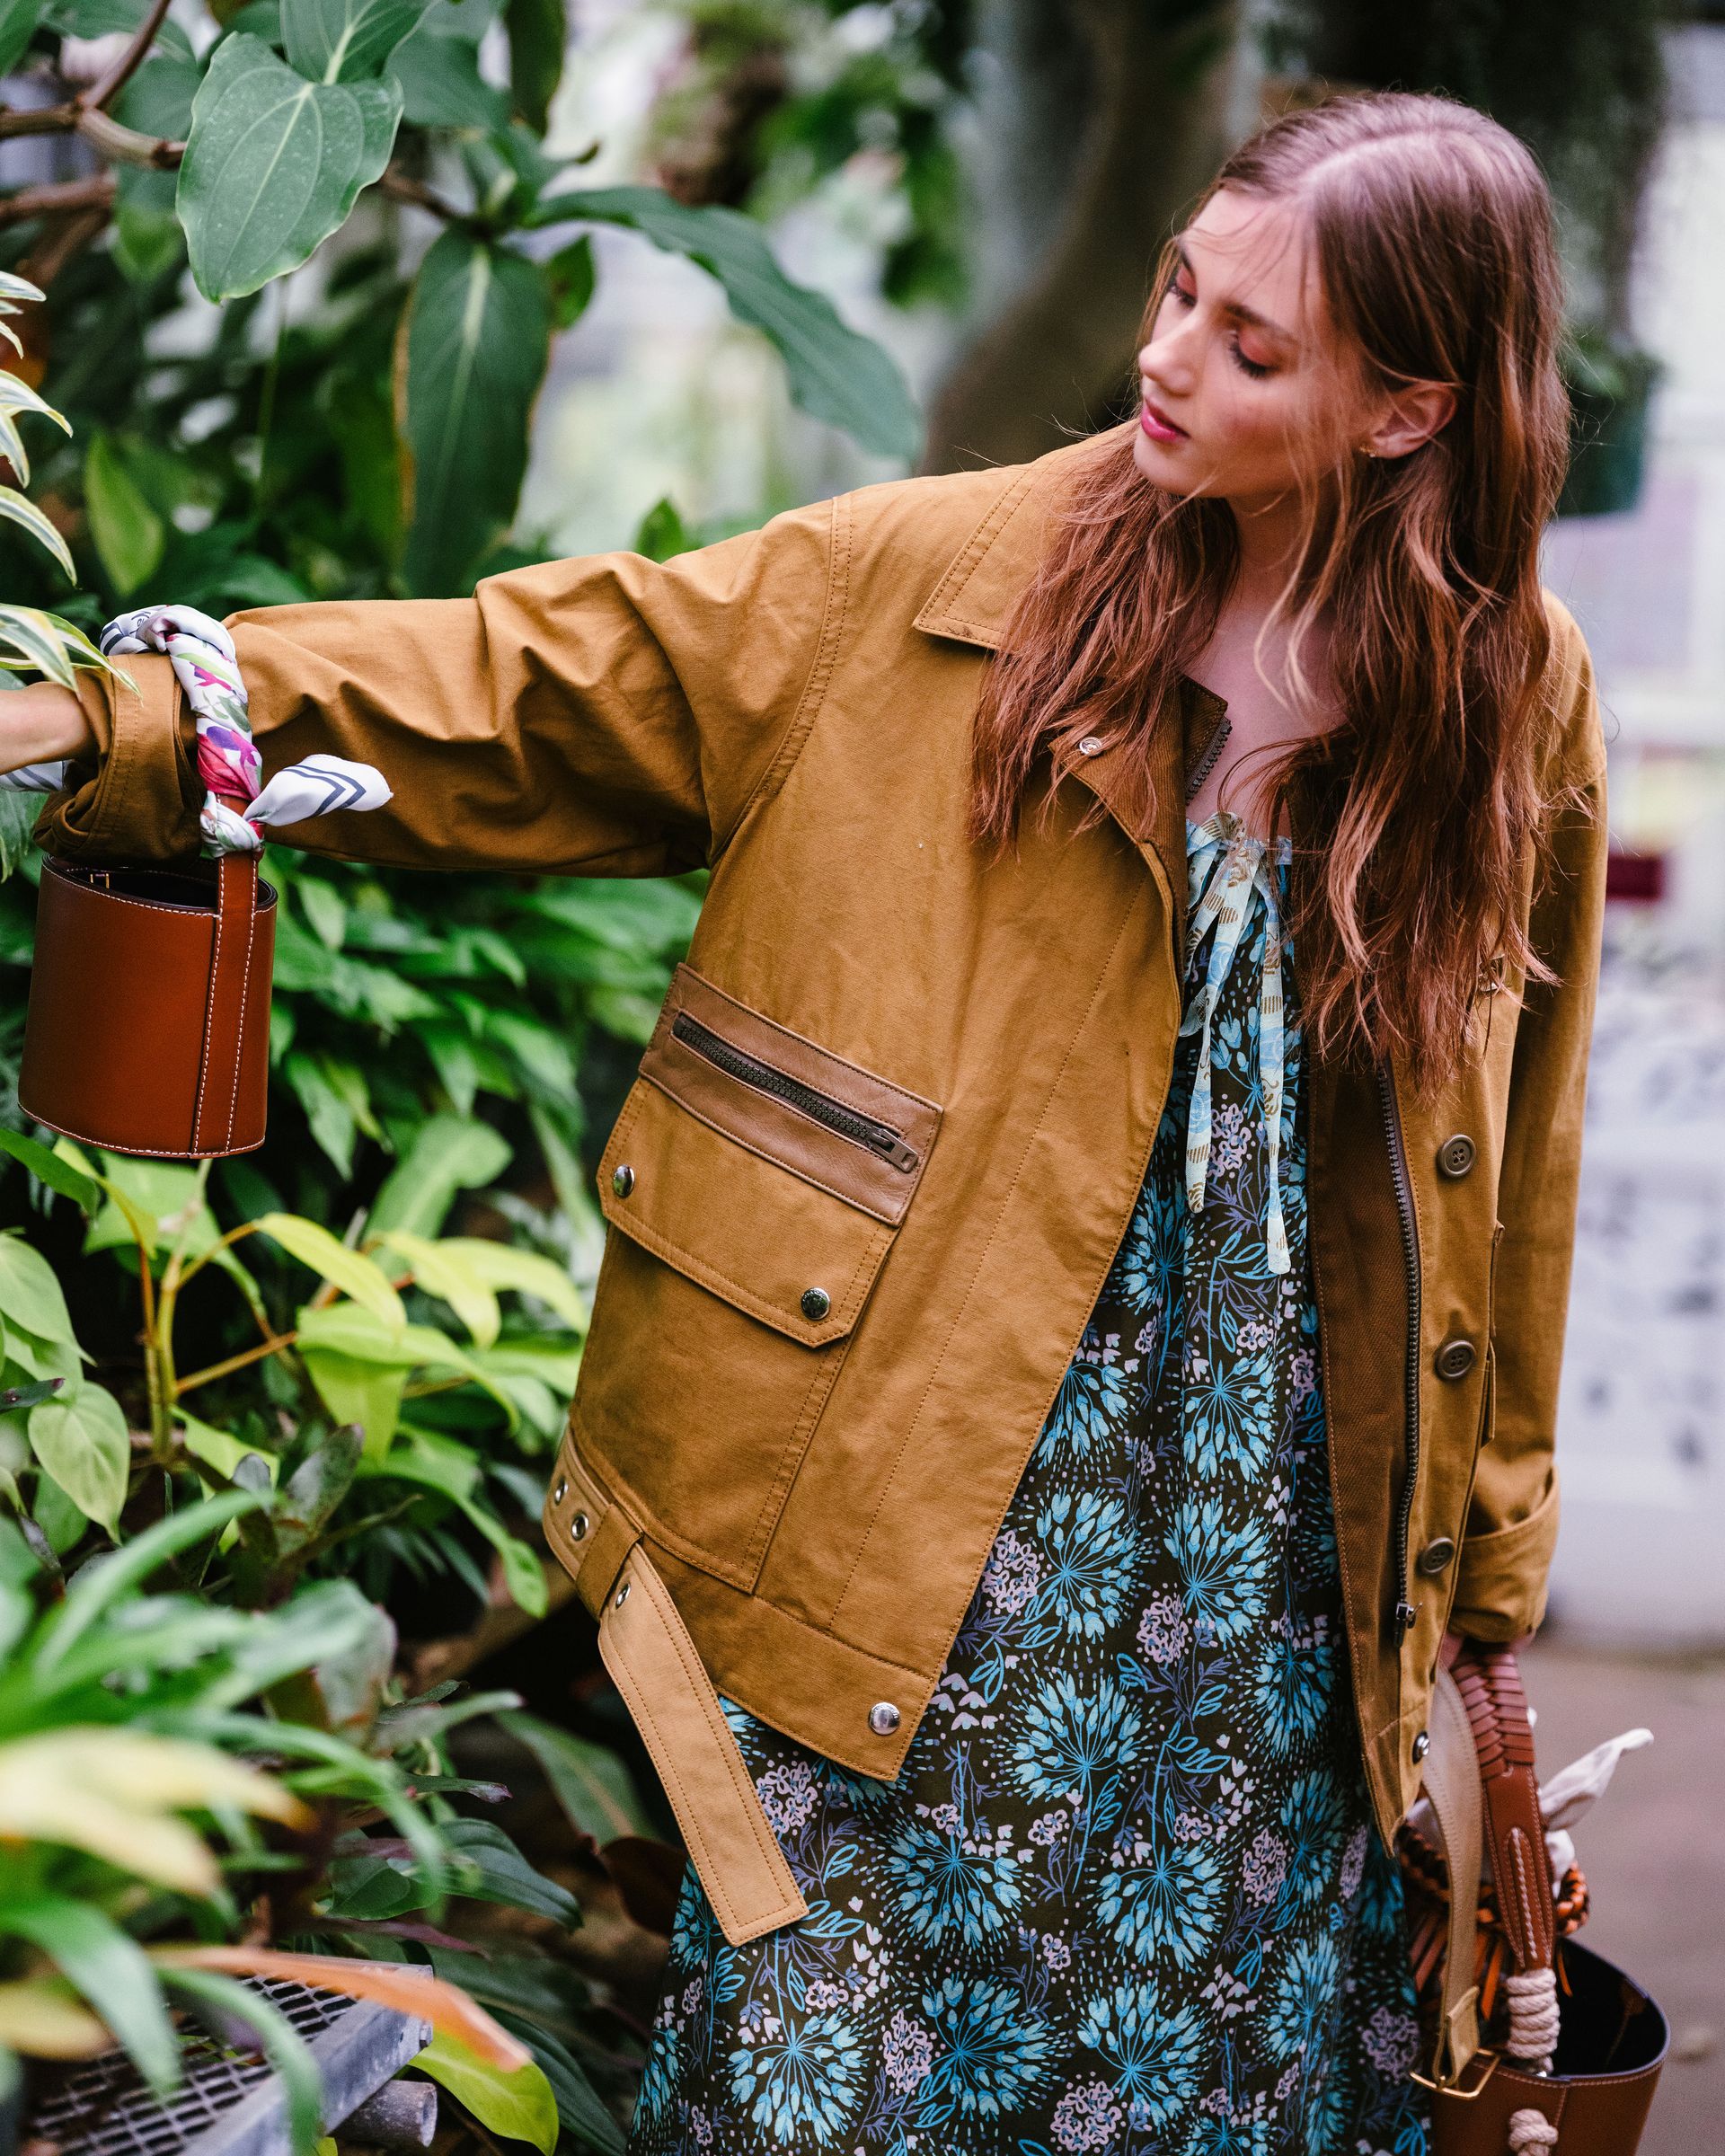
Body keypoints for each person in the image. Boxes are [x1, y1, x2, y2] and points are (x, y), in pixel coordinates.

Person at [5, 86, 1605, 2156]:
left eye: (1253, 346)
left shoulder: (1512, 691)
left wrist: (1480, 1588)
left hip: (1279, 1574)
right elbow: (547, 679)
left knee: (1233, 2073)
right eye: (1175, 287)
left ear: (1405, 415)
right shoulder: (947, 579)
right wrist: (121, 720)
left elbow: (1520, 1151)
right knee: (830, 2082)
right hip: (903, 1524)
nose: (1168, 354)